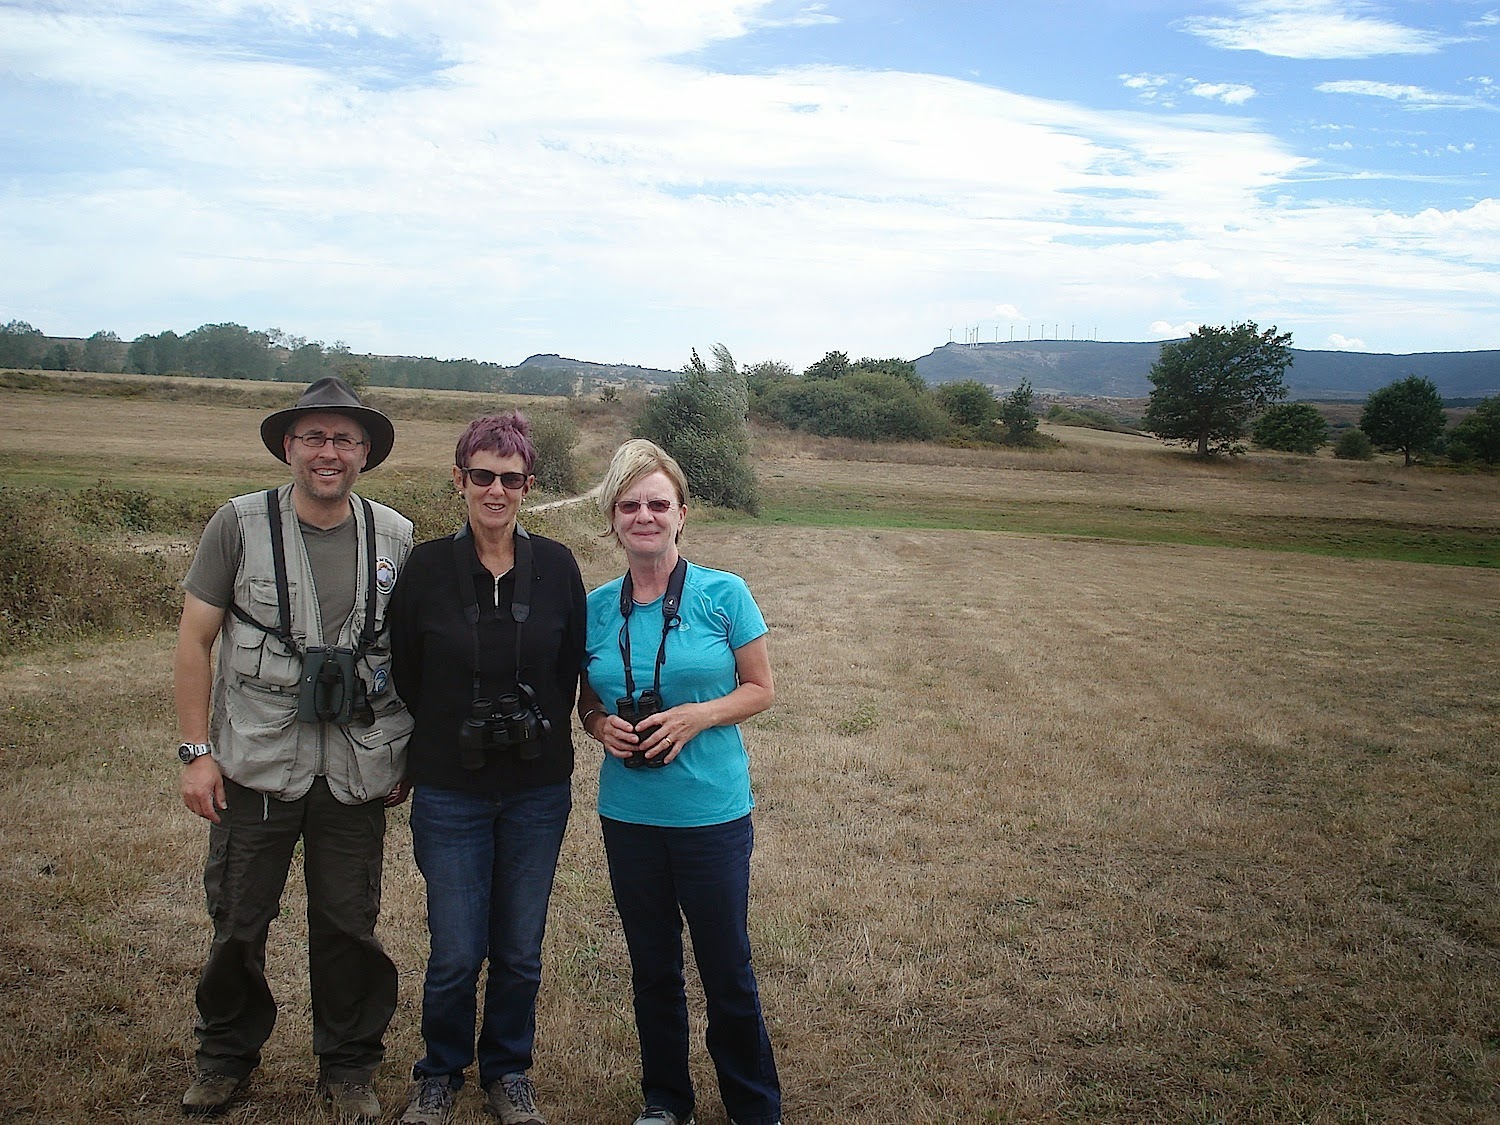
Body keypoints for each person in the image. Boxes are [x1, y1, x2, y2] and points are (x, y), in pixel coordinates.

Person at [174, 376, 415, 1122]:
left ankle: (348, 1066)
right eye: (314, 436)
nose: (328, 451)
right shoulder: (238, 526)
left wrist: (405, 753)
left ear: (366, 451)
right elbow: (195, 638)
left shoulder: (396, 538)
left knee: (349, 922)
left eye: (345, 438)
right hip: (255, 763)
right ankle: (224, 1056)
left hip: (354, 768)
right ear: (288, 445)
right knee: (240, 920)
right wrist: (195, 752)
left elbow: (411, 655)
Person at [388, 412, 586, 1125]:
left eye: (510, 478)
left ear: (529, 485)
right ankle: (438, 1072)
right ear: (459, 479)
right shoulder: (427, 568)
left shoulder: (558, 566)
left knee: (520, 949)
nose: (495, 490)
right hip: (449, 787)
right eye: (481, 476)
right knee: (456, 949)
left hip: (537, 788)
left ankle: (507, 1071)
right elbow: (405, 667)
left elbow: (570, 669)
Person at [577, 439, 783, 1125]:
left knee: (726, 967)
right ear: (613, 517)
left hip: (711, 815)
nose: (644, 515)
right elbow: (587, 698)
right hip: (629, 814)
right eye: (630, 504)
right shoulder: (595, 607)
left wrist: (699, 715)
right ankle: (666, 1099)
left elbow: (760, 688)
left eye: (657, 503)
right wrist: (599, 724)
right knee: (653, 967)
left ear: (682, 514)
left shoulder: (726, 594)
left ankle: (755, 1106)